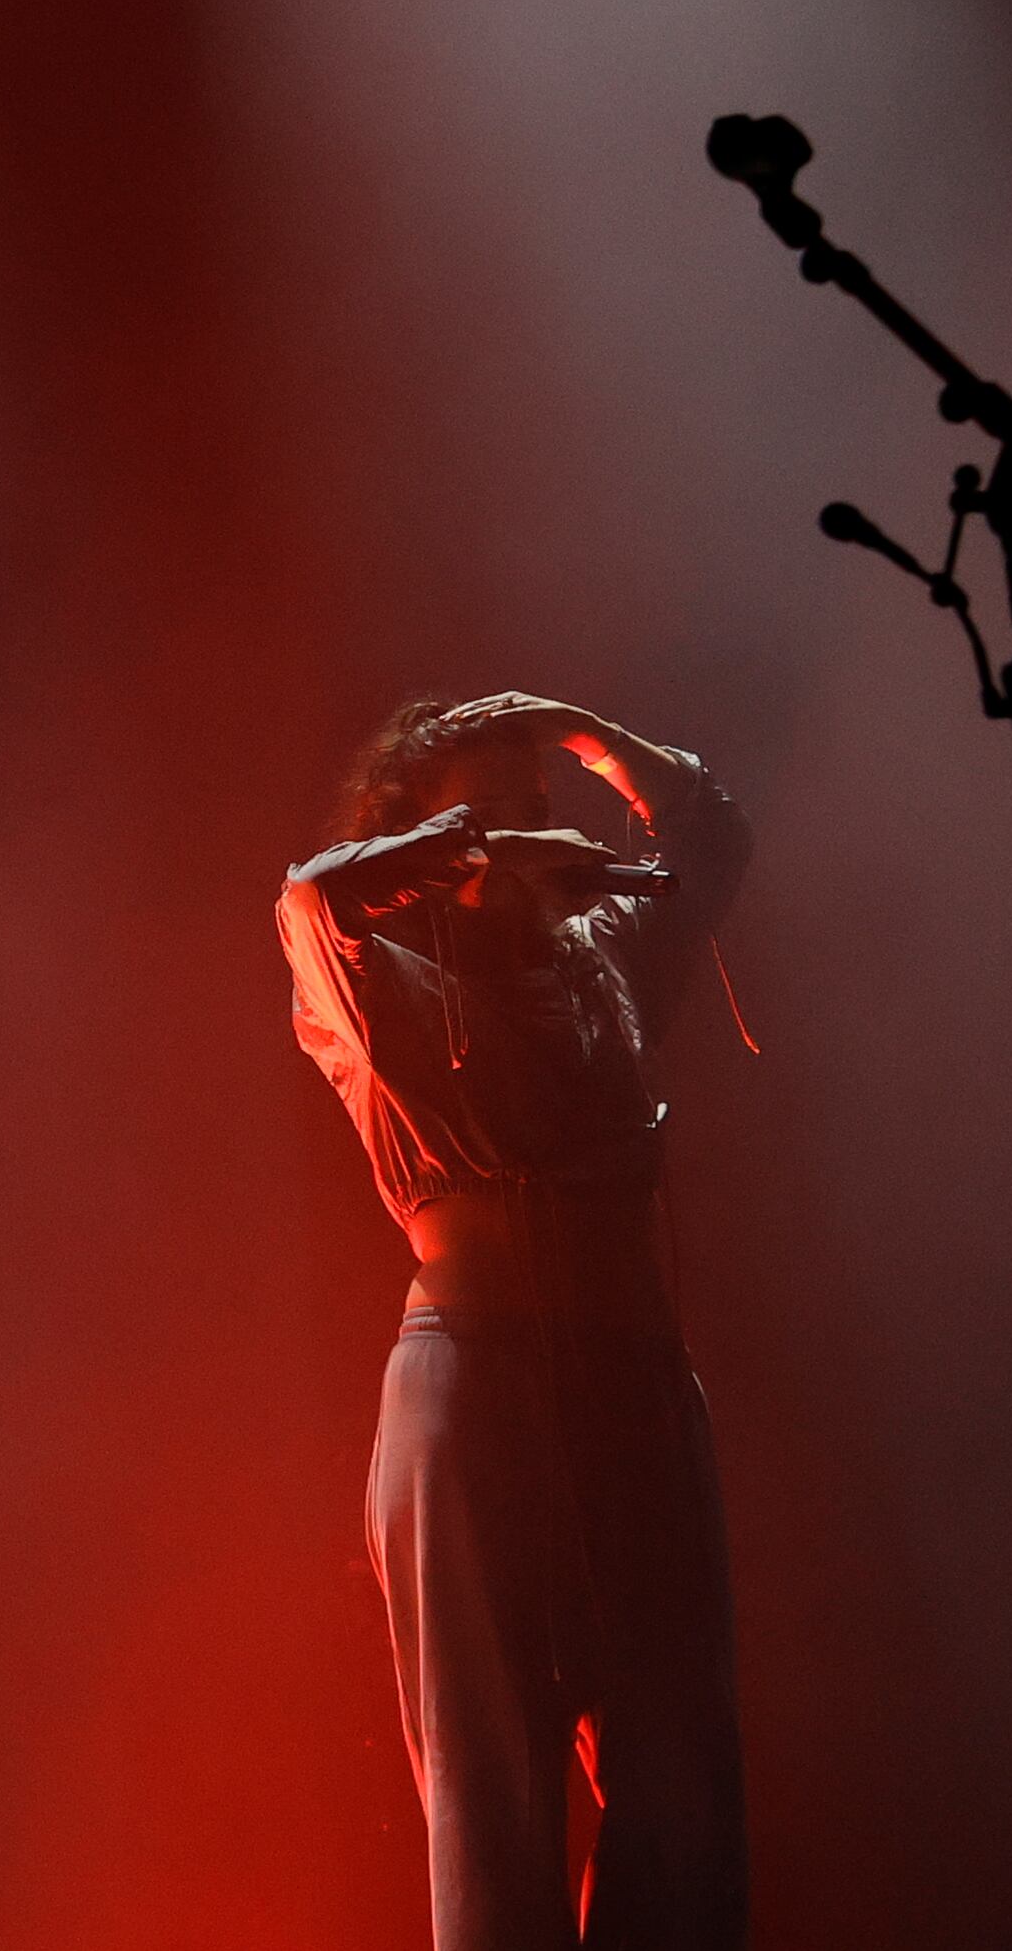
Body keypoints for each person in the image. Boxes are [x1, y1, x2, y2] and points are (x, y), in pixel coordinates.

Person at [278, 691, 756, 1951]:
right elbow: (308, 900)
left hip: (634, 1379)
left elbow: (707, 829)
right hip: (471, 1382)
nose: (529, 834)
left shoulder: (608, 949)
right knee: (490, 1778)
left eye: (537, 809)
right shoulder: (379, 986)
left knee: (683, 1773)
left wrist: (583, 728)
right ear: (427, 842)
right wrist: (471, 849)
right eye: (487, 817)